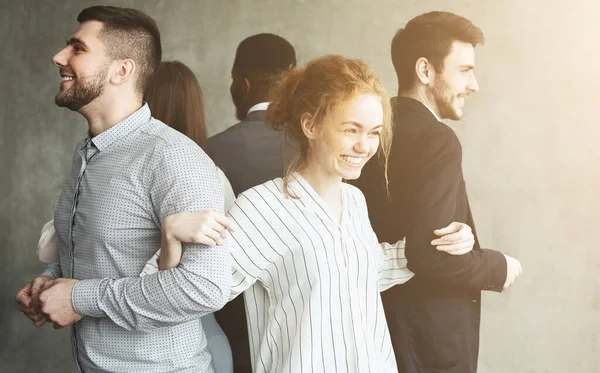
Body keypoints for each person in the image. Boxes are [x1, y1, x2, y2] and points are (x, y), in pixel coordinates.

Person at [163, 54, 479, 373]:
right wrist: (172, 235)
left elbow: (363, 271)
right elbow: (188, 291)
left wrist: (443, 240)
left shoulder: (354, 201)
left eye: (373, 133)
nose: (364, 146)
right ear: (310, 125)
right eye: (350, 130)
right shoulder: (263, 207)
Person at [15, 6, 231, 373]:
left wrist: (78, 297)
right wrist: (50, 282)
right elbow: (103, 252)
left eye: (77, 48)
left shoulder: (174, 158)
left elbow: (203, 287)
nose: (58, 57)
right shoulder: (87, 153)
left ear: (122, 70)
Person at [355, 11, 523, 373]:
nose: (474, 84)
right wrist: (498, 266)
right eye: (464, 70)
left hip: (375, 333)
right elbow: (428, 254)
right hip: (430, 347)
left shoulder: (370, 131)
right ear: (425, 71)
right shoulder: (438, 140)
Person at [208, 33, 297, 372]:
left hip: (237, 321)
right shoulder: (320, 149)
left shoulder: (209, 150)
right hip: (313, 312)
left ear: (242, 85)